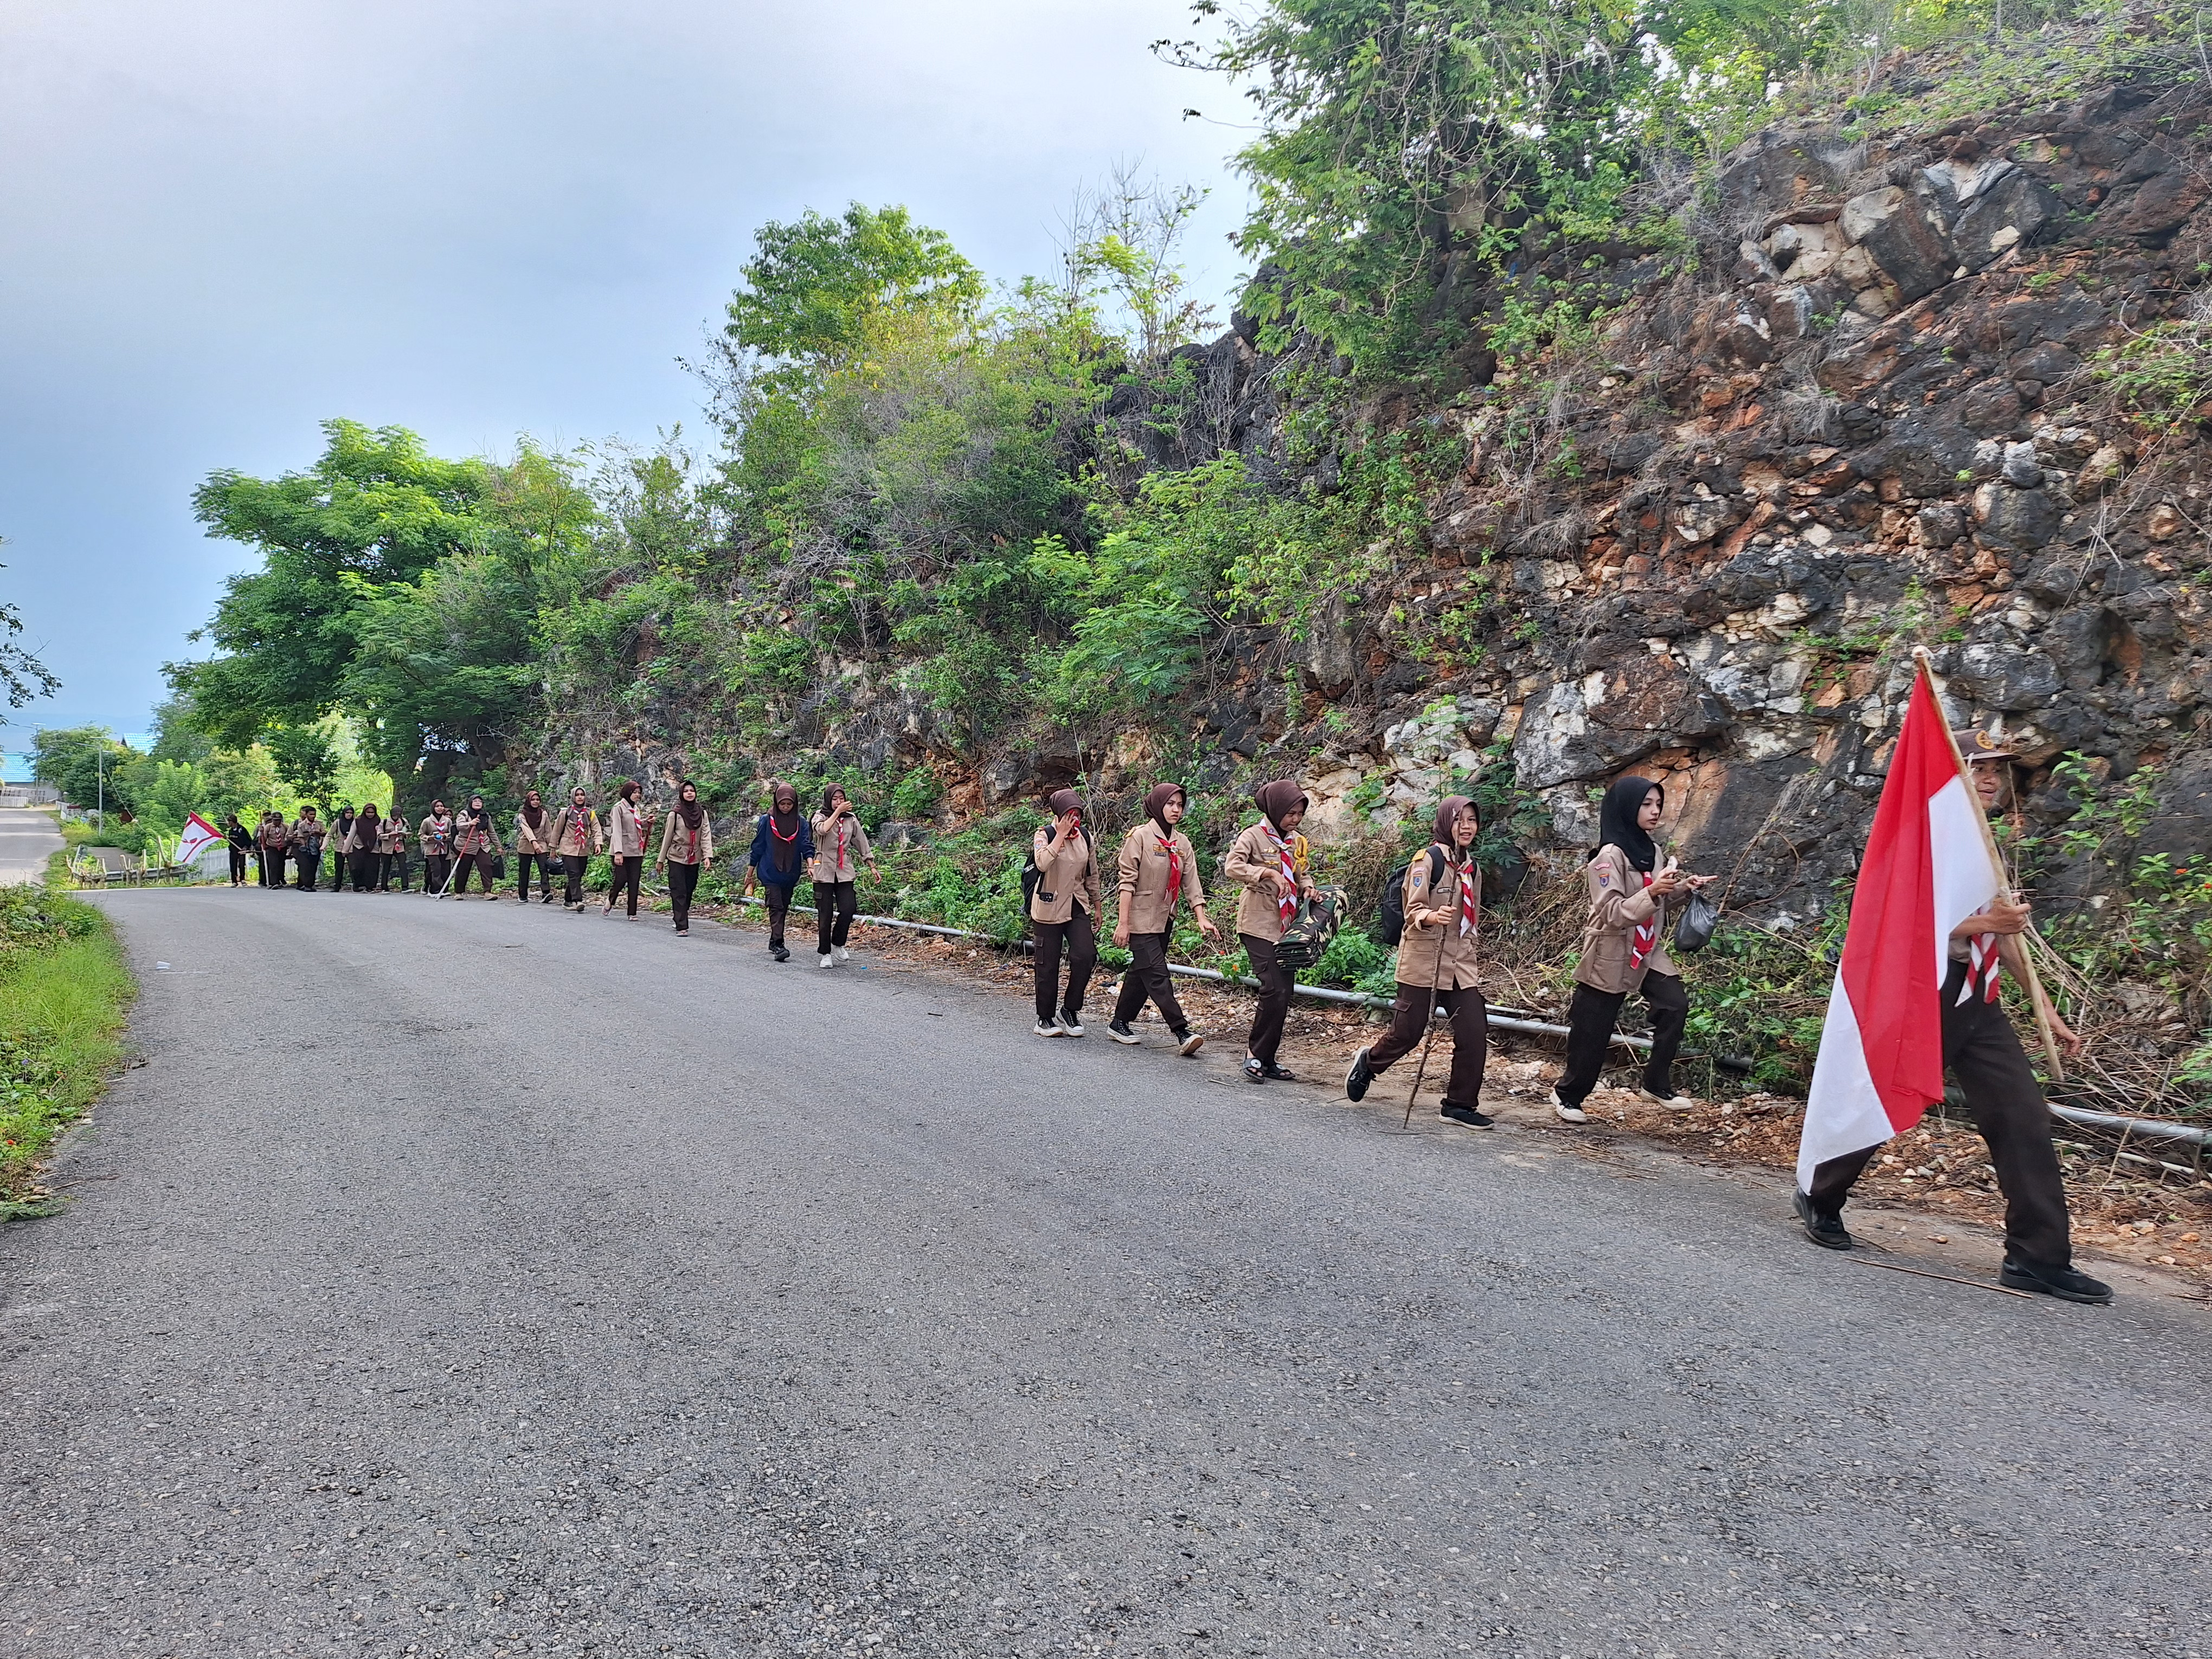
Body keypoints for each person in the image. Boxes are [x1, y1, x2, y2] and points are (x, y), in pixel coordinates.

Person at [1795, 730, 2111, 1304]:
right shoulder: (1923, 837)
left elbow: (2005, 934)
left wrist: (2043, 1006)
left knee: (2023, 1117)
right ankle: (1820, 1192)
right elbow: (1894, 917)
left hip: (1978, 997)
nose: (1991, 779)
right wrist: (1987, 924)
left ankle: (2037, 1257)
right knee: (1883, 1102)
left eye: (1997, 770)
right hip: (1922, 993)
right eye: (1977, 767)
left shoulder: (1984, 843)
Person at [1549, 776, 1714, 1124]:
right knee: (1593, 1031)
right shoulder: (1608, 857)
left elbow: (1656, 903)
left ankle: (1655, 1084)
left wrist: (1683, 888)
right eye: (1646, 804)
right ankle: (1568, 1096)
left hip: (1647, 948)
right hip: (1610, 952)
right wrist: (1653, 891)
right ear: (1626, 807)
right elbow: (1612, 913)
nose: (1655, 811)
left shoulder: (1652, 851)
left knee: (1674, 1006)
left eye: (1658, 804)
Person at [1343, 795, 1495, 1128]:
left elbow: (1473, 917)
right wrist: (1432, 916)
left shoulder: (1472, 868)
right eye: (1459, 820)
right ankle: (1369, 1063)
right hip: (1423, 961)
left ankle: (1459, 1105)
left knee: (1474, 1032)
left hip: (1460, 965)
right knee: (1407, 1034)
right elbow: (1412, 909)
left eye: (1472, 820)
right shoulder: (1428, 860)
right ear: (1446, 823)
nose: (1467, 827)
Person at [1107, 782, 1219, 1054]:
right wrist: (1123, 924)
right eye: (1170, 804)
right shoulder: (1140, 837)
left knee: (1142, 972)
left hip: (1165, 918)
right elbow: (1127, 884)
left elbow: (1192, 883)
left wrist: (1201, 917)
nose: (1176, 809)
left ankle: (1119, 1023)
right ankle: (1181, 1030)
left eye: (1180, 805)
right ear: (1158, 805)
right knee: (1157, 974)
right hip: (1140, 919)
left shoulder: (1182, 843)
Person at [1224, 780, 1315, 1083]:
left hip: (1288, 925)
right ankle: (1255, 1053)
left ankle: (1268, 1058)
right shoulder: (1253, 836)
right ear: (1275, 809)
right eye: (1290, 813)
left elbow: (1302, 872)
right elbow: (1232, 867)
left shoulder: (1297, 841)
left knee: (1284, 992)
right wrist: (1265, 872)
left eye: (1300, 814)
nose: (1295, 819)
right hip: (1257, 922)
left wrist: (1308, 887)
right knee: (1273, 987)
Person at [1028, 787, 1100, 1036]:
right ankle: (1045, 1018)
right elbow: (1042, 863)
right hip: (1049, 905)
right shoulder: (1044, 834)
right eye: (1069, 814)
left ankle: (1070, 1010)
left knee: (1086, 955)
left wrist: (1097, 905)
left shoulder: (1085, 837)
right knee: (1047, 964)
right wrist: (1059, 835)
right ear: (1059, 814)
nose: (1074, 819)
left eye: (1077, 814)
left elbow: (1092, 874)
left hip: (1076, 903)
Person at [740, 780, 812, 961]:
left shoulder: (801, 822)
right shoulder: (767, 820)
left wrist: (811, 865)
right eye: (782, 804)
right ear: (776, 802)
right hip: (769, 871)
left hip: (790, 872)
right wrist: (750, 873)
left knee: (784, 906)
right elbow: (758, 847)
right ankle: (779, 945)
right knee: (776, 906)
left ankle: (773, 941)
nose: (786, 807)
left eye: (789, 804)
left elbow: (806, 845)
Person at [809, 784, 874, 966]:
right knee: (825, 913)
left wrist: (871, 864)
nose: (839, 802)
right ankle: (825, 953)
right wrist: (837, 812)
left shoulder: (851, 819)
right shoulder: (819, 816)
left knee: (848, 908)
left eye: (841, 799)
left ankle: (838, 942)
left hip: (844, 870)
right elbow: (822, 830)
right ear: (828, 800)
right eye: (835, 799)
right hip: (823, 869)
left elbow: (861, 841)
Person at [654, 779, 714, 936]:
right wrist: (661, 860)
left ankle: (680, 916)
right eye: (686, 791)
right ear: (682, 794)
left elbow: (706, 835)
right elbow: (667, 838)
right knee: (678, 890)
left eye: (692, 791)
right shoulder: (675, 814)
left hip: (694, 858)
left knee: (689, 889)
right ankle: (682, 926)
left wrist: (707, 856)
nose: (689, 793)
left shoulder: (702, 813)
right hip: (677, 856)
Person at [550, 787, 602, 911]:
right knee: (573, 873)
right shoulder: (565, 813)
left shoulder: (590, 813)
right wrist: (553, 848)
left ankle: (568, 901)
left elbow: (596, 829)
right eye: (577, 795)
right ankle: (577, 900)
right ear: (573, 797)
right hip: (568, 847)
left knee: (579, 874)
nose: (580, 797)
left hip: (583, 849)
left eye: (582, 795)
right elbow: (557, 831)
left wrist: (598, 844)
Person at [603, 780, 649, 917]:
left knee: (634, 881)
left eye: (639, 793)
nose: (637, 795)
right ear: (628, 793)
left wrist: (646, 823)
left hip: (636, 850)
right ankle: (611, 900)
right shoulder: (618, 808)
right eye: (634, 792)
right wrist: (618, 852)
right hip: (621, 850)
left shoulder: (636, 809)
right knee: (621, 879)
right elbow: (617, 830)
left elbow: (636, 825)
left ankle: (632, 913)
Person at [451, 794, 503, 898]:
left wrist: (498, 846)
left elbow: (491, 832)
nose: (478, 803)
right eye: (475, 801)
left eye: (480, 801)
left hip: (482, 845)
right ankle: (459, 892)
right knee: (463, 869)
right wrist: (470, 823)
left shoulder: (485, 816)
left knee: (487, 866)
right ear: (471, 803)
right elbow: (459, 826)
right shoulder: (464, 813)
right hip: (467, 845)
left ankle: (488, 891)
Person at [512, 789, 557, 905]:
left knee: (544, 868)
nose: (536, 802)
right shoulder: (522, 815)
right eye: (533, 800)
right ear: (529, 801)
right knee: (524, 870)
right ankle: (523, 895)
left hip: (541, 843)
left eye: (538, 800)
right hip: (526, 844)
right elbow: (526, 829)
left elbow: (548, 831)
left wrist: (553, 847)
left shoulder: (544, 814)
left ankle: (546, 893)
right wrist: (534, 842)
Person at [419, 800, 455, 896]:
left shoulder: (448, 821)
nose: (440, 808)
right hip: (432, 849)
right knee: (436, 869)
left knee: (445, 870)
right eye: (437, 806)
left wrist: (445, 836)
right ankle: (434, 890)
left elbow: (452, 833)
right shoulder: (427, 821)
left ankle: (444, 890)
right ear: (433, 808)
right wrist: (430, 838)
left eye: (441, 806)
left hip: (444, 848)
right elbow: (421, 835)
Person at [290, 806, 326, 892]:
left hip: (316, 848)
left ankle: (311, 884)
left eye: (314, 814)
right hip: (305, 849)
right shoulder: (301, 825)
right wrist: (305, 846)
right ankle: (307, 885)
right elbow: (300, 837)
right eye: (311, 814)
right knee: (305, 867)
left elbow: (326, 833)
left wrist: (319, 833)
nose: (313, 816)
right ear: (306, 815)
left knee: (314, 867)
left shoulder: (319, 824)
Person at [346, 805, 382, 892]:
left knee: (372, 868)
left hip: (374, 848)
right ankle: (358, 885)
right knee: (357, 867)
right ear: (364, 812)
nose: (370, 814)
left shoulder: (378, 821)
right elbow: (351, 835)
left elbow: (381, 834)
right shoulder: (358, 821)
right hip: (359, 847)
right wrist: (345, 849)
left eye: (372, 812)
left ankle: (370, 886)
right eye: (368, 812)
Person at [378, 805, 410, 891]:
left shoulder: (404, 821)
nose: (396, 816)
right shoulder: (384, 822)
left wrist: (404, 834)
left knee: (403, 865)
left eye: (398, 815)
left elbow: (408, 831)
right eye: (395, 815)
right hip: (387, 847)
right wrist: (389, 835)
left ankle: (405, 886)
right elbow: (379, 835)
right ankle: (384, 887)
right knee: (386, 867)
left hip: (399, 847)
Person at [327, 806, 355, 893]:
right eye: (347, 813)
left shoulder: (355, 823)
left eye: (351, 813)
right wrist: (324, 845)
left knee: (354, 867)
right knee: (339, 868)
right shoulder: (338, 822)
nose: (349, 815)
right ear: (344, 813)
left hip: (351, 848)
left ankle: (356, 885)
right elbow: (329, 834)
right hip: (339, 848)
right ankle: (337, 885)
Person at [258, 812, 287, 888]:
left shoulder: (285, 827)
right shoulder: (268, 827)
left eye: (279, 820)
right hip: (272, 847)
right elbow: (264, 838)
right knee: (273, 865)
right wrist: (263, 845)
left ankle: (280, 880)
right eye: (275, 820)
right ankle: (274, 883)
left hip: (282, 848)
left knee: (281, 864)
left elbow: (288, 837)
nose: (277, 822)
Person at [224, 813, 252, 887]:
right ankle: (234, 881)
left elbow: (248, 840)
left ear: (232, 822)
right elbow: (232, 841)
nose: (228, 823)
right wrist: (227, 838)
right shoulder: (231, 831)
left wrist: (245, 847)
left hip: (241, 850)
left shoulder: (242, 830)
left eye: (229, 822)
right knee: (233, 865)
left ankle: (242, 879)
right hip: (233, 851)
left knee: (242, 865)